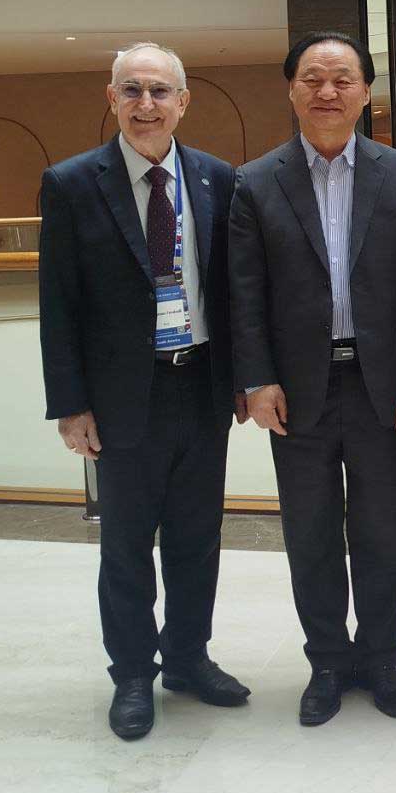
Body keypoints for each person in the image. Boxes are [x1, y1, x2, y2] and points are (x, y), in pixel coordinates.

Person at [228, 31, 396, 728]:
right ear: (292, 89)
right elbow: (244, 293)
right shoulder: (254, 181)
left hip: (384, 387)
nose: (328, 91)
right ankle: (325, 661)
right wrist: (256, 379)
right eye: (313, 79)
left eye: (343, 79)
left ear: (365, 91)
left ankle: (381, 659)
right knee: (311, 532)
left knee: (386, 531)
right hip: (297, 391)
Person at [38, 41, 249, 742]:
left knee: (197, 537)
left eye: (160, 91)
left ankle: (188, 659)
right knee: (127, 545)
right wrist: (71, 404)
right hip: (123, 395)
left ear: (183, 102)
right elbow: (58, 303)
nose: (146, 104)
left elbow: (234, 291)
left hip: (202, 384)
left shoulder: (218, 179)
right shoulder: (71, 184)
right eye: (132, 90)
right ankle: (132, 673)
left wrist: (244, 379)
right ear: (112, 99)